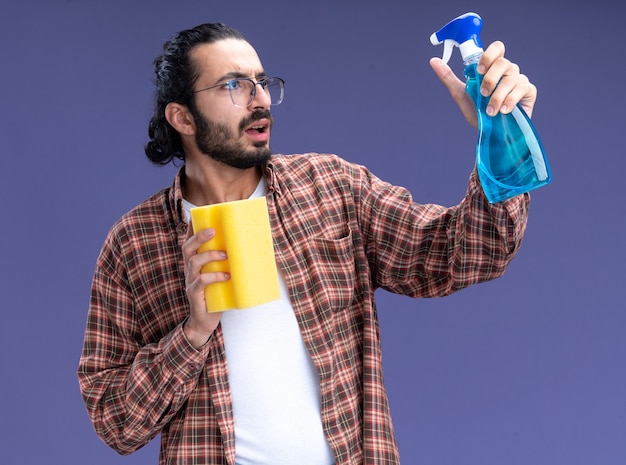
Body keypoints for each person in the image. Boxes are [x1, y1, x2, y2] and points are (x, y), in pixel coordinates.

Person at [78, 22, 533, 465]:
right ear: (181, 117)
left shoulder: (330, 188)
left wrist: (500, 139)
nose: (259, 99)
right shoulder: (133, 244)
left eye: (261, 81)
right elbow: (115, 422)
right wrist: (193, 334)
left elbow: (468, 253)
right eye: (233, 85)